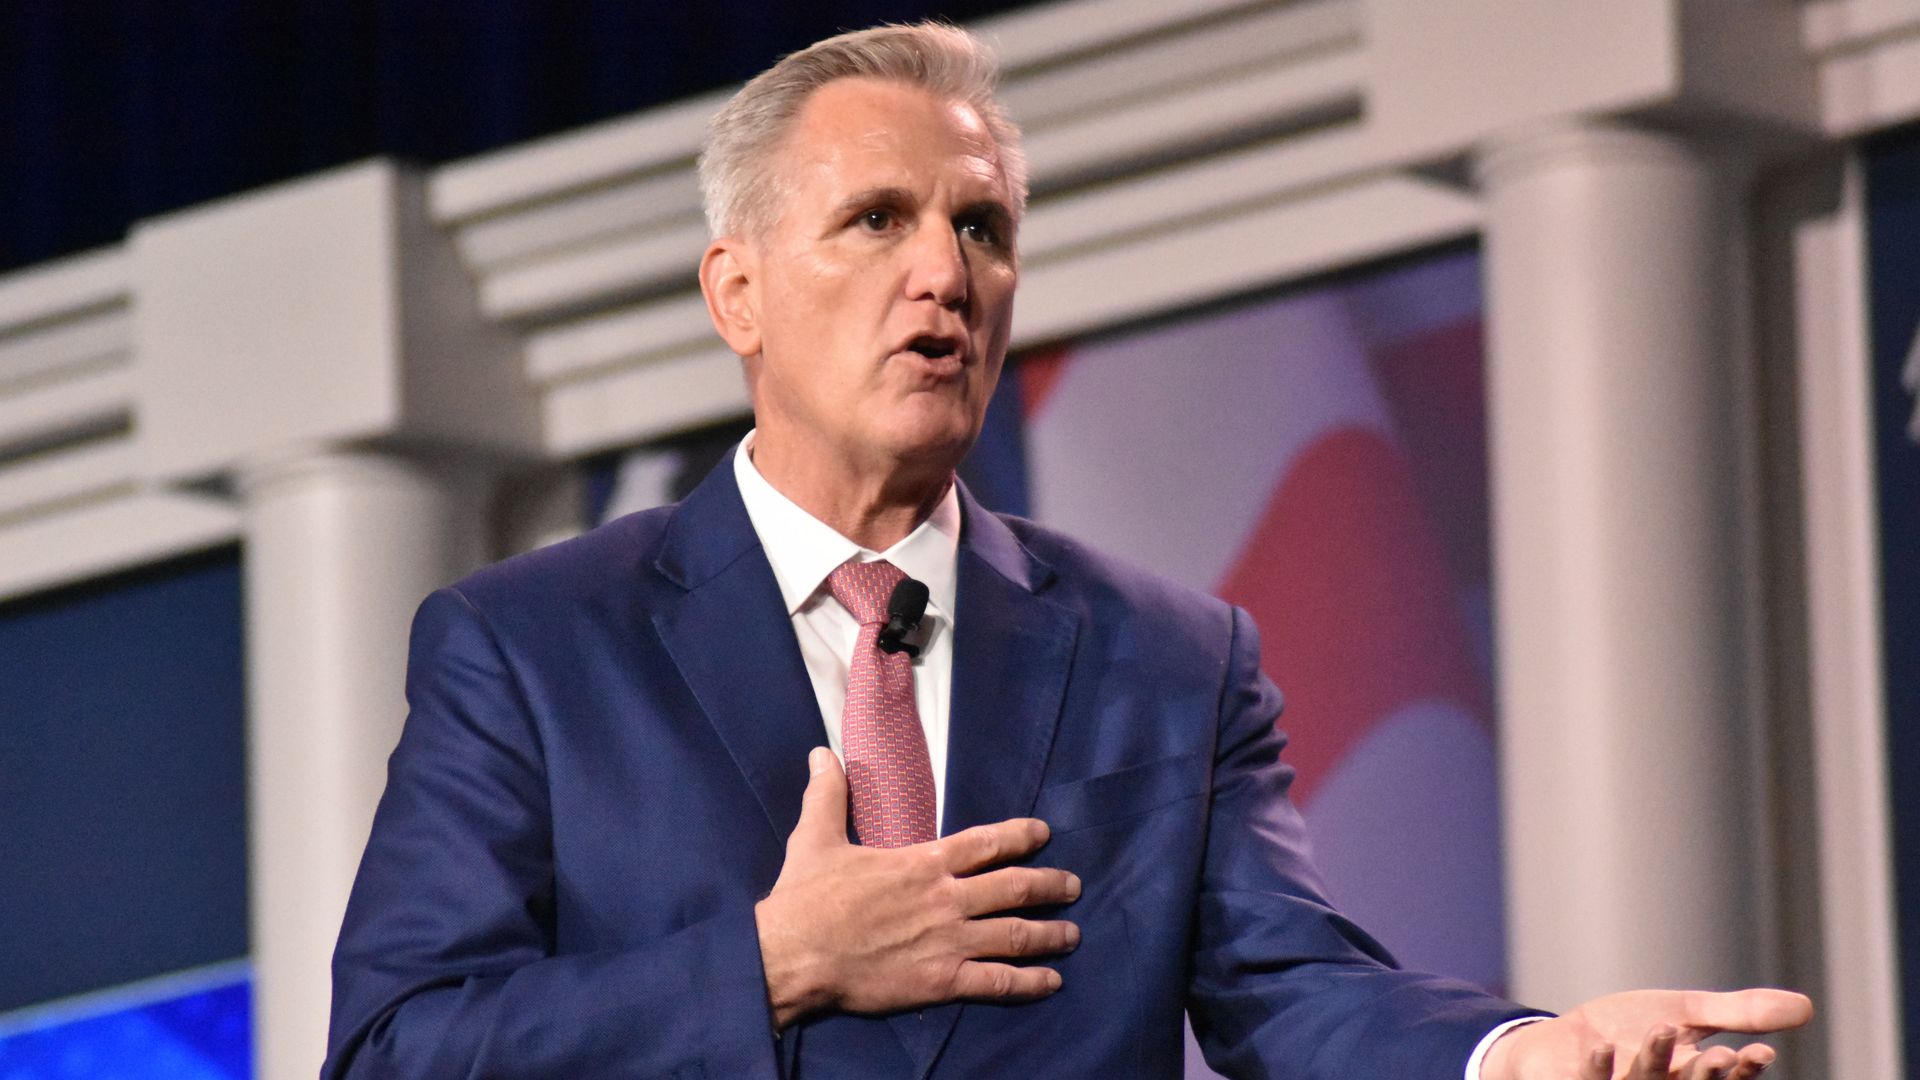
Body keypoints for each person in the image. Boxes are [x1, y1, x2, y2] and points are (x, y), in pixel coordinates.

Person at [323, 21, 1812, 1079]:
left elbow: (1291, 990)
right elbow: (397, 1052)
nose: (945, 275)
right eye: (878, 219)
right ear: (739, 292)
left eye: (984, 227)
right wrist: (773, 966)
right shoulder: (532, 646)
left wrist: (1516, 1055)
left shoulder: (1169, 656)